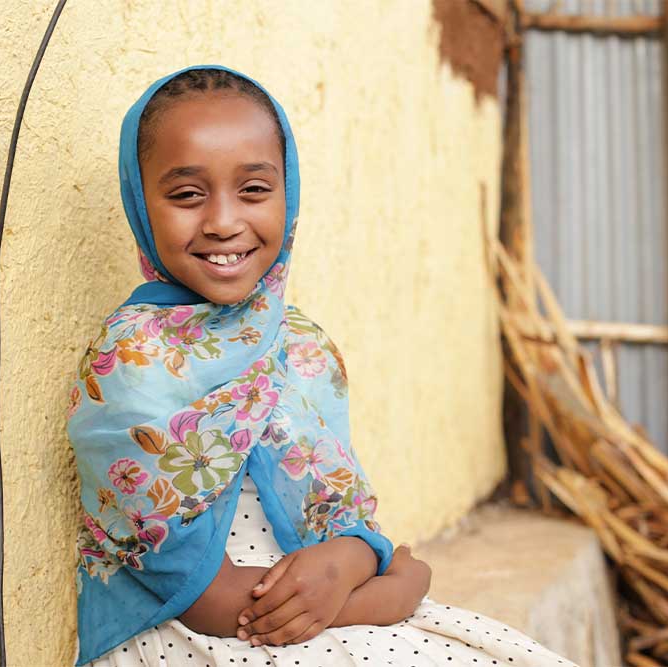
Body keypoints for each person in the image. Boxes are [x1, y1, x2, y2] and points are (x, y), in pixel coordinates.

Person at [67, 65, 578, 667]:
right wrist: (396, 588)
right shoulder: (130, 365)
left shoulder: (300, 346)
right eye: (186, 195)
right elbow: (208, 601)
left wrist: (350, 561)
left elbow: (349, 528)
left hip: (328, 606)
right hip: (200, 636)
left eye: (254, 190)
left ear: (290, 193)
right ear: (139, 200)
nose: (225, 221)